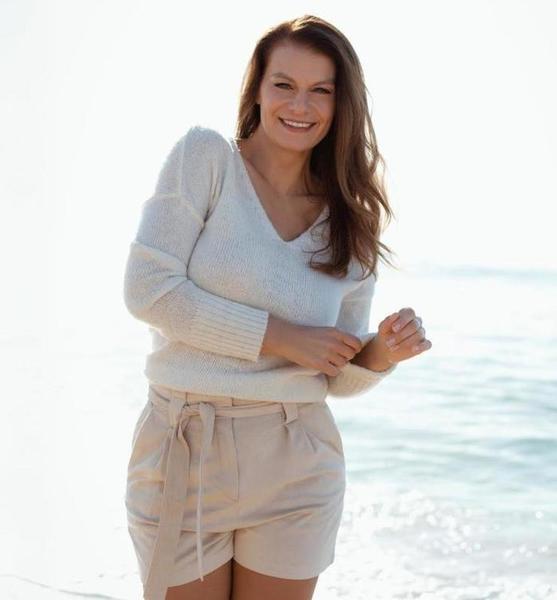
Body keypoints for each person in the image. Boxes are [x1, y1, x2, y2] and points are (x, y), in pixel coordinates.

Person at [123, 14, 432, 600]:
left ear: (342, 104)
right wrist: (281, 336)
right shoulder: (205, 159)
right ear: (258, 90)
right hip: (186, 442)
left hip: (297, 459)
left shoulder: (353, 219)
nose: (300, 105)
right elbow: (148, 288)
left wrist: (382, 354)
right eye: (284, 84)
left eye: (321, 90)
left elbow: (335, 373)